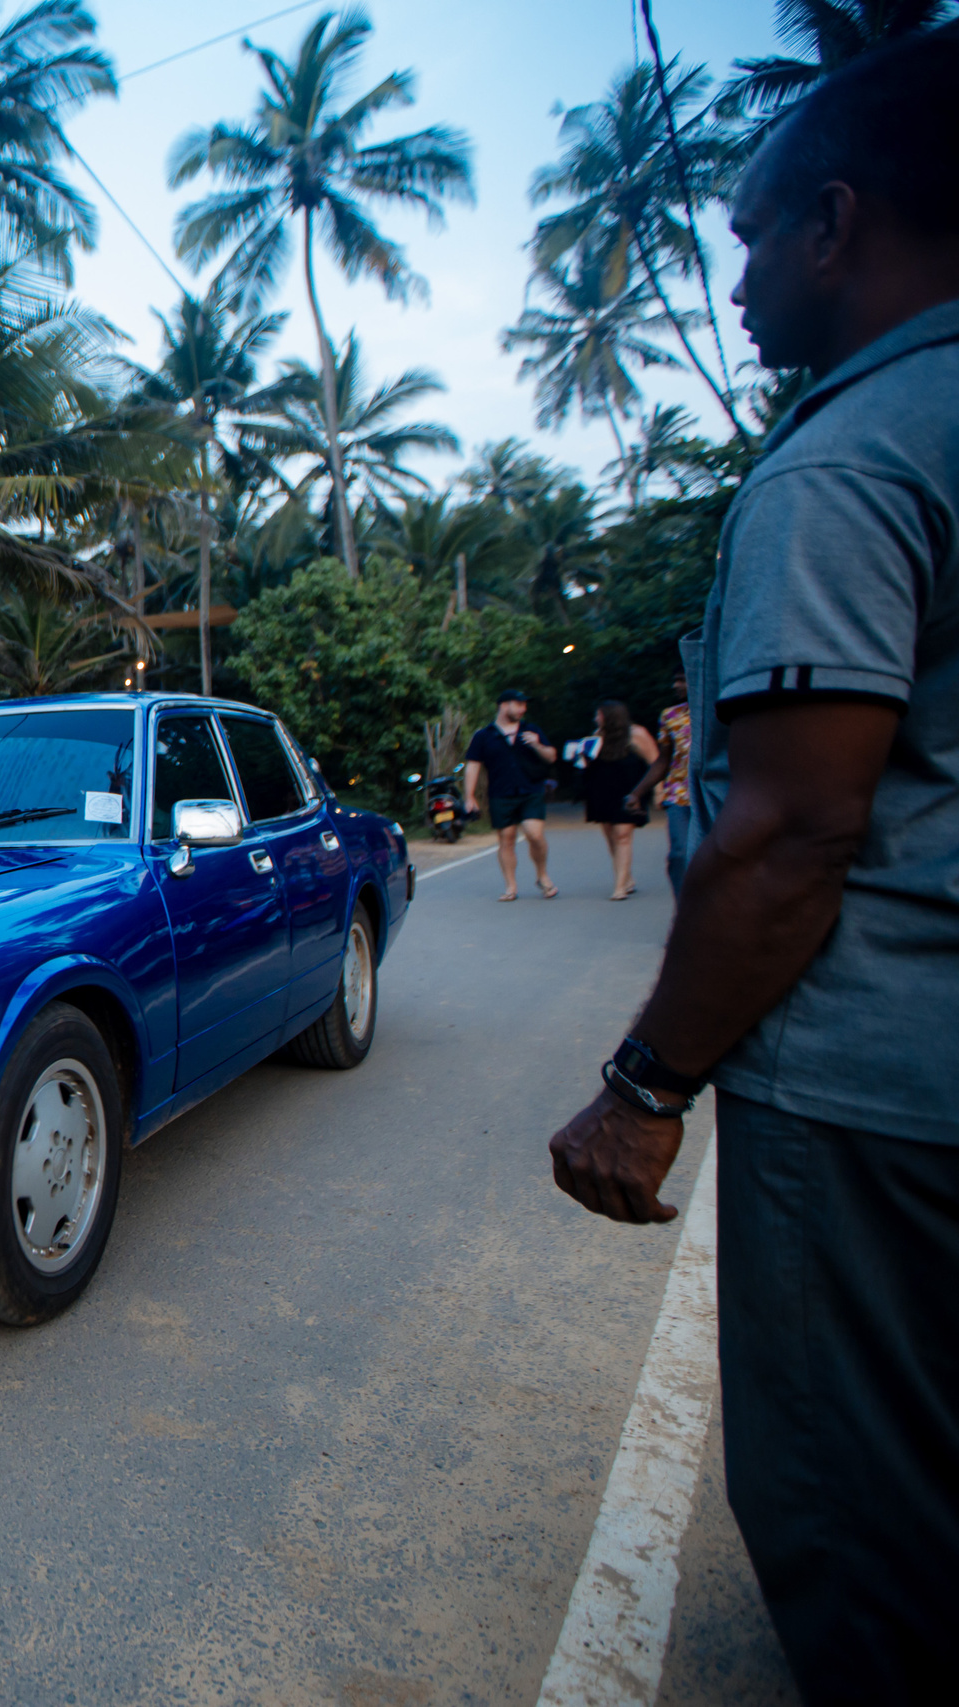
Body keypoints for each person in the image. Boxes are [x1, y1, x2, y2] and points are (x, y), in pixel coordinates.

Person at [545, 29, 959, 1702]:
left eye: (744, 241)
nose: (731, 287)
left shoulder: (849, 461)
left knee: (863, 1513)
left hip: (870, 1088)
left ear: (834, 224)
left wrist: (647, 1082)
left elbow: (792, 829)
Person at [460, 689, 558, 900]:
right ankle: (511, 886)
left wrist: (536, 744)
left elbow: (551, 756)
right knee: (506, 838)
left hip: (531, 790)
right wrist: (469, 796)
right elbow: (473, 766)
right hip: (501, 793)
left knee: (535, 834)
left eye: (524, 705)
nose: (523, 709)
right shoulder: (483, 736)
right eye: (518, 704)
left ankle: (542, 875)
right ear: (503, 705)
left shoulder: (531, 730)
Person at [581, 700, 659, 901]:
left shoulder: (636, 734)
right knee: (611, 836)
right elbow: (585, 766)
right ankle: (627, 878)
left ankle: (619, 887)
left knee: (622, 834)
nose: (596, 719)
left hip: (629, 792)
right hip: (602, 792)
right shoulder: (597, 737)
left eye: (600, 715)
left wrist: (659, 790)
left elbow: (654, 761)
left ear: (611, 716)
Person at [627, 673, 695, 893]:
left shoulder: (722, 710)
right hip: (680, 794)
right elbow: (663, 760)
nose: (676, 685)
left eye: (682, 679)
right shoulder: (670, 715)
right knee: (680, 853)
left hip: (717, 793)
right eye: (675, 679)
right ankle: (684, 909)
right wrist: (637, 793)